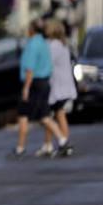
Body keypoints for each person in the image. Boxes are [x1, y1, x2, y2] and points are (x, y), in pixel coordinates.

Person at [12, 20, 63, 158]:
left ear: (32, 30)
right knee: (42, 115)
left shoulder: (33, 44)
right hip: (44, 82)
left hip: (34, 83)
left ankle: (62, 140)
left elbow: (30, 68)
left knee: (30, 115)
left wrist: (26, 88)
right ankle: (54, 142)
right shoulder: (43, 42)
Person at [43, 20, 77, 157]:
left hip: (58, 86)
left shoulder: (54, 46)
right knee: (57, 113)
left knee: (57, 114)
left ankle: (63, 143)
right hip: (64, 85)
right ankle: (50, 144)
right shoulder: (63, 44)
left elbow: (47, 64)